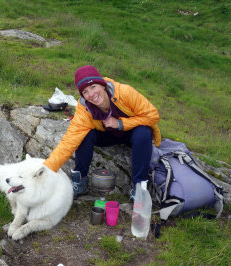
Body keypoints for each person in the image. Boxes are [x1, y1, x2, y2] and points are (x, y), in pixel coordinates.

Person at [43, 65, 161, 198]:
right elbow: (69, 141)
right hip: (107, 135)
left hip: (132, 133)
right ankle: (80, 180)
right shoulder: (84, 108)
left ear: (103, 85)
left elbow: (153, 115)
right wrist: (46, 170)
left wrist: (120, 123)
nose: (91, 95)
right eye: (85, 92)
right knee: (83, 135)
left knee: (144, 132)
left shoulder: (125, 92)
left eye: (93, 87)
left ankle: (139, 186)